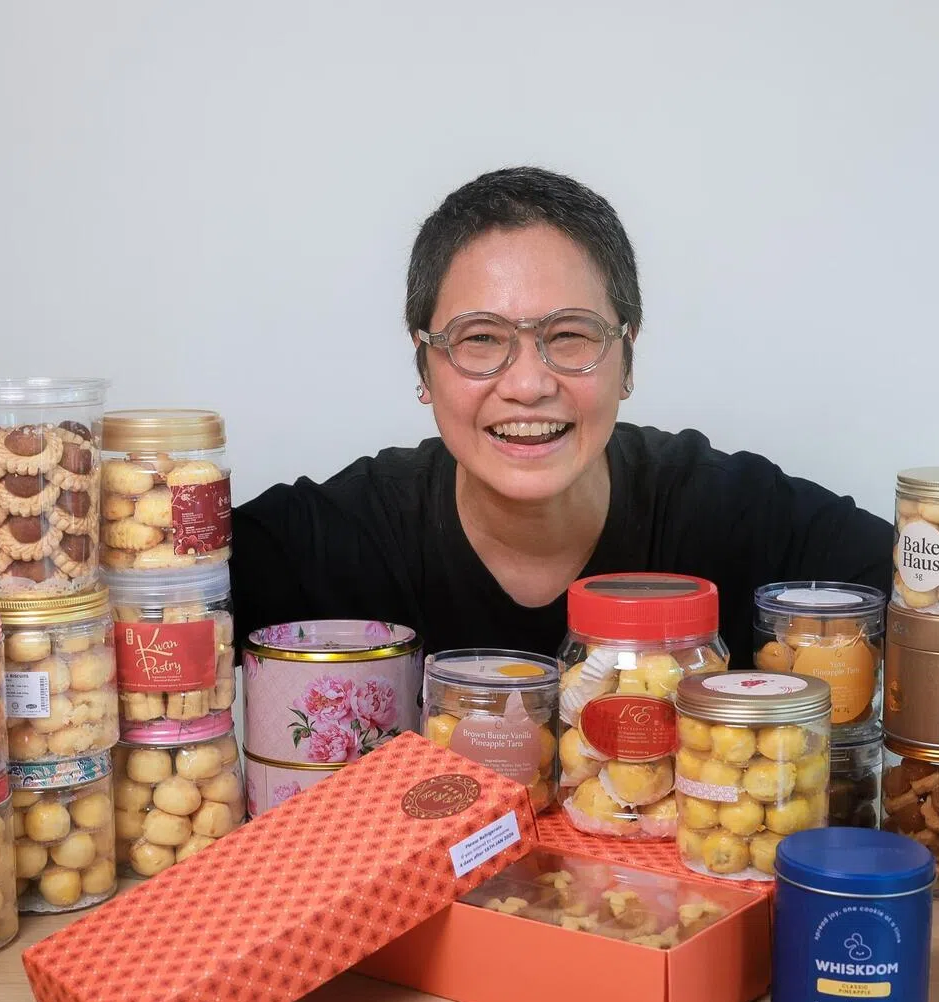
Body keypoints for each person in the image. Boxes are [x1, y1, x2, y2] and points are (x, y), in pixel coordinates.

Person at [233, 167, 891, 666]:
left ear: (626, 355)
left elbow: (933, 592)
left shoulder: (724, 512)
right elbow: (178, 598)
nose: (527, 384)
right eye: (479, 338)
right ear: (425, 365)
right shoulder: (341, 535)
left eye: (571, 335)